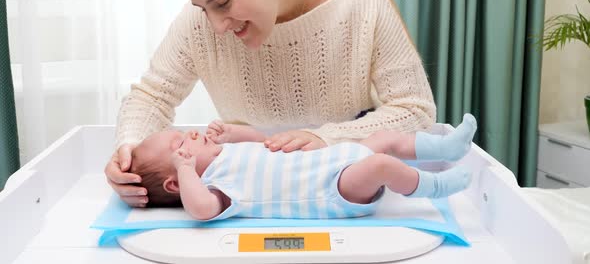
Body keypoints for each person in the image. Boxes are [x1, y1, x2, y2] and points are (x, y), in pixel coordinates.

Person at [105, 0, 437, 208]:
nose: (217, 25)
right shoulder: (201, 23)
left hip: (344, 187)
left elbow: (415, 110)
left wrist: (324, 138)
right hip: (247, 192)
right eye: (202, 8)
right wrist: (130, 153)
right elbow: (152, 97)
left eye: (222, 4)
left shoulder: (358, 1)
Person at [129, 114, 476, 220]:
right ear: (176, 183)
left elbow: (262, 141)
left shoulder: (225, 154)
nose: (189, 134)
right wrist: (189, 172)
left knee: (385, 137)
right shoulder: (216, 189)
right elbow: (201, 211)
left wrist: (236, 132)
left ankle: (448, 146)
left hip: (332, 159)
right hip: (333, 188)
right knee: (382, 164)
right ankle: (437, 187)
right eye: (179, 145)